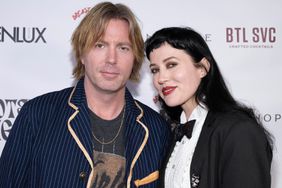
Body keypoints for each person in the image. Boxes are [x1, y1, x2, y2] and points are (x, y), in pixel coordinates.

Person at [0, 2, 171, 188]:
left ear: (134, 58)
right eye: (100, 45)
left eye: (123, 48)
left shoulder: (157, 130)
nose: (111, 59)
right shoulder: (37, 115)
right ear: (82, 54)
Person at [145, 27, 273, 188]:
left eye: (171, 64)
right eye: (155, 70)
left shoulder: (239, 130)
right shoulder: (173, 133)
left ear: (202, 68)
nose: (161, 78)